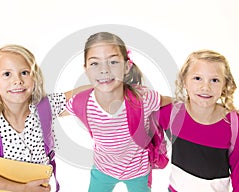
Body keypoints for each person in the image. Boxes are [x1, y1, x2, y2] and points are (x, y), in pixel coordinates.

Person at [0, 44, 89, 192]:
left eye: (25, 72)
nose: (17, 80)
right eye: (7, 74)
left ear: (34, 79)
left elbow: (82, 94)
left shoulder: (45, 108)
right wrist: (23, 188)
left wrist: (105, 84)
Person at [64, 32, 171, 192]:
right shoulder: (81, 103)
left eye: (113, 62)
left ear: (127, 67)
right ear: (86, 69)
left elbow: (169, 101)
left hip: (138, 171)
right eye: (95, 64)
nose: (104, 70)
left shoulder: (144, 97)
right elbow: (51, 109)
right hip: (102, 170)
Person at [158, 49, 239, 192]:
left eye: (214, 80)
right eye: (197, 78)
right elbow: (140, 120)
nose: (205, 87)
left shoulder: (233, 124)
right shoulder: (173, 113)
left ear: (225, 85)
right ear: (184, 81)